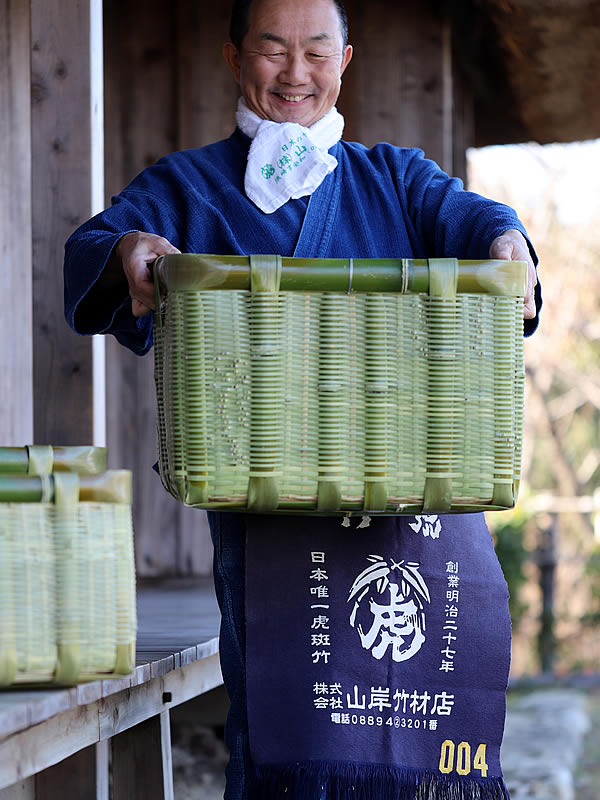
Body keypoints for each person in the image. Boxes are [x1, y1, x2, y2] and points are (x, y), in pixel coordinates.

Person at [64, 1, 541, 798]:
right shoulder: (187, 187)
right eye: (272, 50)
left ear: (345, 58)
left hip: (405, 515)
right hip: (267, 532)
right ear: (232, 56)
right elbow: (97, 246)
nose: (295, 74)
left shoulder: (395, 178)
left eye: (317, 51)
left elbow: (477, 219)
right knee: (291, 739)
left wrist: (506, 246)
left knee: (419, 739)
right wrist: (133, 253)